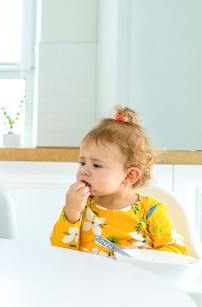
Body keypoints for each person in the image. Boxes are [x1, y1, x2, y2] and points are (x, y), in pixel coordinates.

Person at [50, 105, 187, 256]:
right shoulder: (81, 207)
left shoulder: (151, 212)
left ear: (129, 176)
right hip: (87, 279)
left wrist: (142, 256)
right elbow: (60, 253)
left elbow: (178, 252)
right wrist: (71, 213)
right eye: (82, 163)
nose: (84, 170)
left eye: (96, 165)